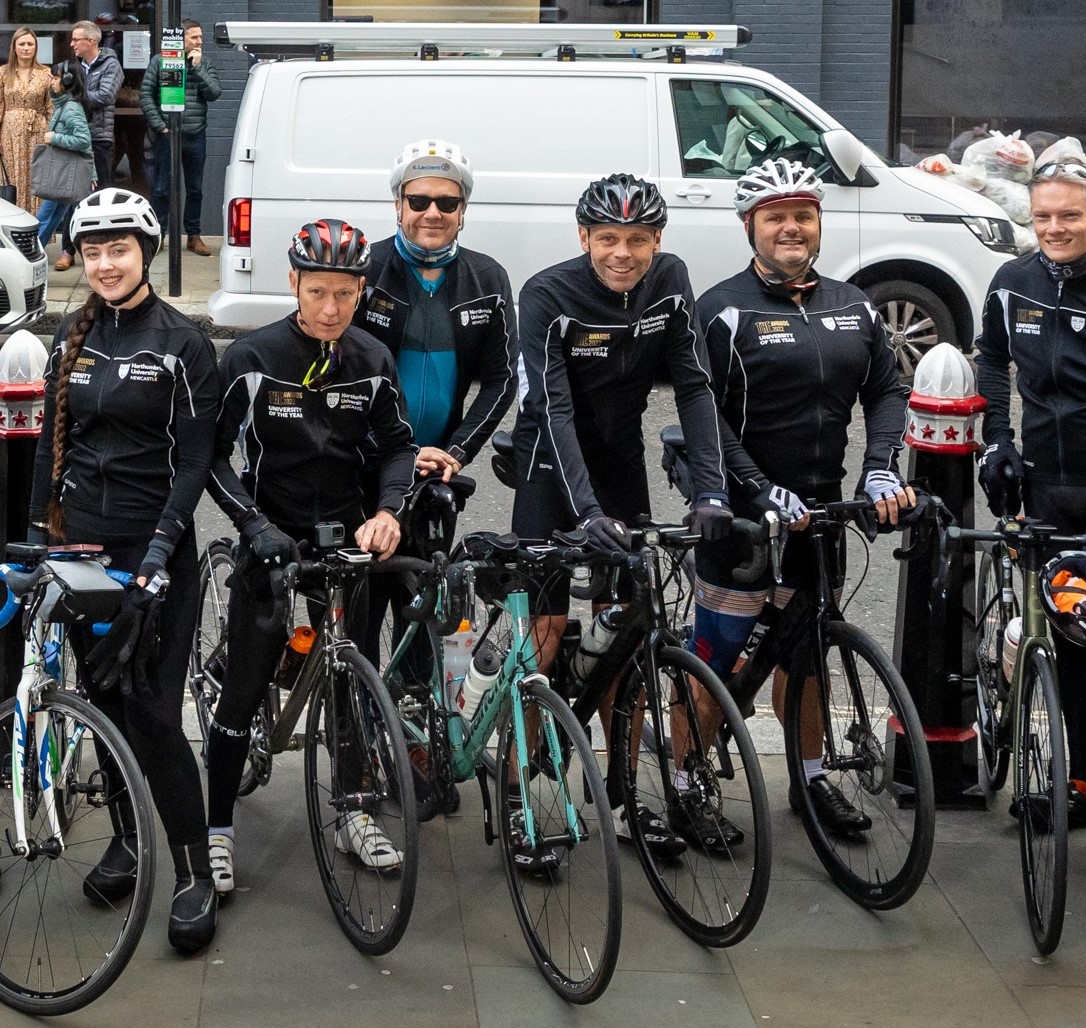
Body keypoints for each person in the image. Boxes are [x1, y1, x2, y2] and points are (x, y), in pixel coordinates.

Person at [510, 172, 733, 862]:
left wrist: (712, 491)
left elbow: (693, 387)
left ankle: (626, 791)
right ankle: (528, 798)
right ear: (584, 237)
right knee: (544, 632)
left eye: (638, 239)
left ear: (657, 239)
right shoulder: (548, 292)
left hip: (620, 457)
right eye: (607, 238)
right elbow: (555, 409)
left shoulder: (670, 279)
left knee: (630, 630)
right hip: (552, 464)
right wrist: (587, 513)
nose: (622, 253)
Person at [689, 158, 914, 838]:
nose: (791, 227)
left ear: (818, 224)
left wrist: (879, 469)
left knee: (808, 654)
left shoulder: (854, 304)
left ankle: (810, 782)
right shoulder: (722, 309)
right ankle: (682, 782)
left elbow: (887, 390)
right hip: (741, 518)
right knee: (715, 660)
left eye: (803, 215)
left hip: (819, 513)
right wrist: (756, 489)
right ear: (750, 226)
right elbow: (706, 416)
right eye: (775, 217)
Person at [27, 189, 220, 952]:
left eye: (120, 249)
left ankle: (195, 870)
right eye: (94, 251)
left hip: (156, 556)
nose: (106, 264)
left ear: (144, 252)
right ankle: (127, 841)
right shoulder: (70, 341)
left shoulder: (182, 341)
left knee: (154, 715)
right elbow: (51, 446)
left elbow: (197, 459)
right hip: (84, 556)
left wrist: (157, 558)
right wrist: (38, 539)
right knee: (103, 703)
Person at [204, 218, 416, 896]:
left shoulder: (374, 360)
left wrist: (389, 512)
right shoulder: (253, 358)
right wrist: (252, 524)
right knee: (243, 689)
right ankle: (216, 830)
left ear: (361, 290)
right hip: (272, 535)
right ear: (293, 282)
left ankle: (355, 811)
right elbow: (210, 457)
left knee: (356, 679)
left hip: (347, 537)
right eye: (317, 291)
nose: (330, 308)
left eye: (345, 294)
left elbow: (398, 448)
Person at [975, 158, 1086, 878]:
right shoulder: (1013, 284)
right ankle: (1079, 786)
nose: (1055, 229)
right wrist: (999, 442)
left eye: (1069, 215)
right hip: (1047, 493)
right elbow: (990, 361)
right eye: (1043, 217)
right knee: (1068, 650)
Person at [355, 138, 517, 492]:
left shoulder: (487, 278)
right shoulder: (364, 270)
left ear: (462, 210)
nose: (432, 213)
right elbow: (334, 373)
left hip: (441, 465)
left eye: (447, 203)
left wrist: (459, 451)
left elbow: (501, 380)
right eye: (418, 201)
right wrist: (393, 452)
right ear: (398, 205)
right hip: (365, 459)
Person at [139, 19, 221, 256]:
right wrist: (160, 125)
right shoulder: (161, 61)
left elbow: (214, 92)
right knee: (162, 188)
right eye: (194, 37)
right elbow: (146, 95)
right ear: (181, 39)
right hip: (167, 136)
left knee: (195, 188)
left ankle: (193, 236)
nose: (200, 41)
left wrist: (197, 68)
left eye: (200, 37)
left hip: (195, 135)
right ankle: (159, 235)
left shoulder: (203, 62)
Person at [53, 20, 122, 271]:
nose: (71, 44)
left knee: (99, 195)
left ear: (91, 41)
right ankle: (67, 250)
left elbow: (105, 96)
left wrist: (74, 96)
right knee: (74, 194)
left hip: (99, 138)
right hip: (74, 136)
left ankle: (98, 250)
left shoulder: (111, 65)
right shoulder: (72, 66)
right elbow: (58, 92)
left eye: (76, 39)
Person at [35, 61, 93, 250]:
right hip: (63, 173)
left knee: (44, 218)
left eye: (56, 77)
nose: (51, 81)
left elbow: (83, 140)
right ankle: (35, 253)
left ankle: (29, 253)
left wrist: (55, 137)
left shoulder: (70, 108)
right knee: (51, 218)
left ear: (68, 80)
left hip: (63, 174)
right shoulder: (64, 105)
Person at [0, 28, 52, 214]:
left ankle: (36, 231)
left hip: (37, 134)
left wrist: (50, 134)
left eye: (30, 44)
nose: (26, 48)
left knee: (35, 179)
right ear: (14, 47)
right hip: (9, 136)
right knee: (11, 180)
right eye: (22, 44)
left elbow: (50, 108)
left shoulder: (45, 73)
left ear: (36, 48)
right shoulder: (4, 73)